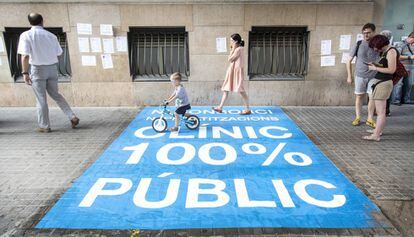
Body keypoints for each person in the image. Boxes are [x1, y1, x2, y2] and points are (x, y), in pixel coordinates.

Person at [17, 13, 79, 133]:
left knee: (41, 99)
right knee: (56, 95)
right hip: (52, 68)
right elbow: (59, 53)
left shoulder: (26, 35)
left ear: (29, 22)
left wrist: (25, 73)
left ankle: (44, 126)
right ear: (42, 21)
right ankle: (72, 116)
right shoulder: (51, 36)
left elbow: (24, 56)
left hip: (37, 69)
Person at [363, 35, 398, 141]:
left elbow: (391, 70)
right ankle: (377, 131)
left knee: (380, 112)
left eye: (375, 46)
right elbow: (386, 66)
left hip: (384, 83)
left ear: (381, 43)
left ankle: (376, 135)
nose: (374, 49)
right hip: (381, 83)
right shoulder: (386, 51)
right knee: (380, 111)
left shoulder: (391, 51)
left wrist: (375, 67)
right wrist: (375, 64)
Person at [346, 23, 379, 128]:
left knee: (372, 97)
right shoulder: (359, 44)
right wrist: (349, 76)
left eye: (368, 33)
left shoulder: (378, 44)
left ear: (374, 32)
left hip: (374, 75)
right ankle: (358, 117)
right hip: (360, 74)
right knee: (359, 96)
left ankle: (370, 119)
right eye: (364, 33)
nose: (366, 35)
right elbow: (348, 60)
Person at [213, 33, 251, 115]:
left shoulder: (239, 49)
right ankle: (220, 107)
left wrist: (232, 49)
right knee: (226, 89)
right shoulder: (238, 49)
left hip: (236, 71)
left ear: (236, 41)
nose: (230, 42)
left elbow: (230, 59)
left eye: (231, 41)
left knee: (241, 90)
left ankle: (247, 109)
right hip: (232, 71)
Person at [394, 32, 414, 104]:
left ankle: (406, 99)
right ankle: (397, 100)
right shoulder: (400, 44)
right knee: (399, 84)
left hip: (410, 67)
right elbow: (397, 56)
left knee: (409, 84)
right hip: (401, 67)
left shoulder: (412, 45)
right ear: (410, 37)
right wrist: (409, 57)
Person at [379, 30, 393, 116]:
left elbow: (391, 69)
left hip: (386, 76)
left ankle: (384, 111)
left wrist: (375, 67)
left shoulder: (390, 49)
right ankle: (384, 111)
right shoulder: (383, 49)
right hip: (383, 76)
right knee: (385, 95)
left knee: (385, 95)